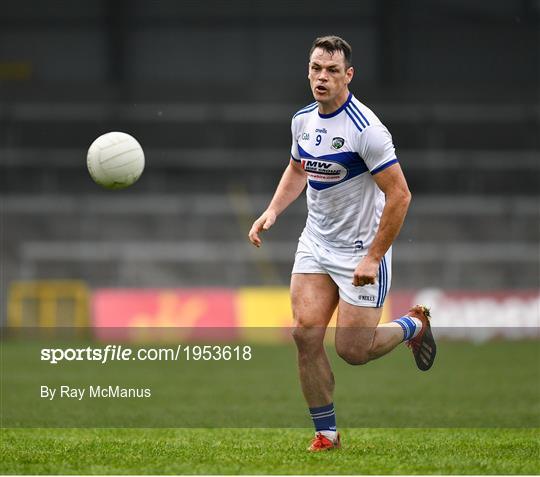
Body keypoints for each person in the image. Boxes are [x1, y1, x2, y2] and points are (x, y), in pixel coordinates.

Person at [248, 35, 436, 452]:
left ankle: (413, 325)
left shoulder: (366, 130)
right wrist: (273, 210)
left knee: (353, 351)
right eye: (316, 68)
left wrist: (374, 256)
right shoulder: (302, 120)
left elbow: (400, 194)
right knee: (304, 332)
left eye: (332, 70)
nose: (322, 77)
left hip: (360, 251)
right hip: (316, 243)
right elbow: (298, 169)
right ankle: (326, 434)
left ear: (348, 75)